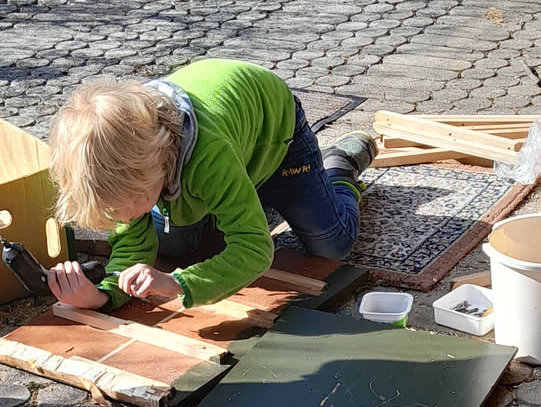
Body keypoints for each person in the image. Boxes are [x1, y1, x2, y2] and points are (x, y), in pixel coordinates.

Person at [46, 60, 376, 312]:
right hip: (229, 154)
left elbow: (255, 249)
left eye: (127, 206)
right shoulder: (127, 160)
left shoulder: (208, 155)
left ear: (154, 169)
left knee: (333, 245)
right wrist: (102, 296)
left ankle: (339, 168)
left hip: (277, 138)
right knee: (175, 244)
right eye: (111, 211)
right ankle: (247, 198)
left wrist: (177, 283)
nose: (121, 218)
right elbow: (133, 244)